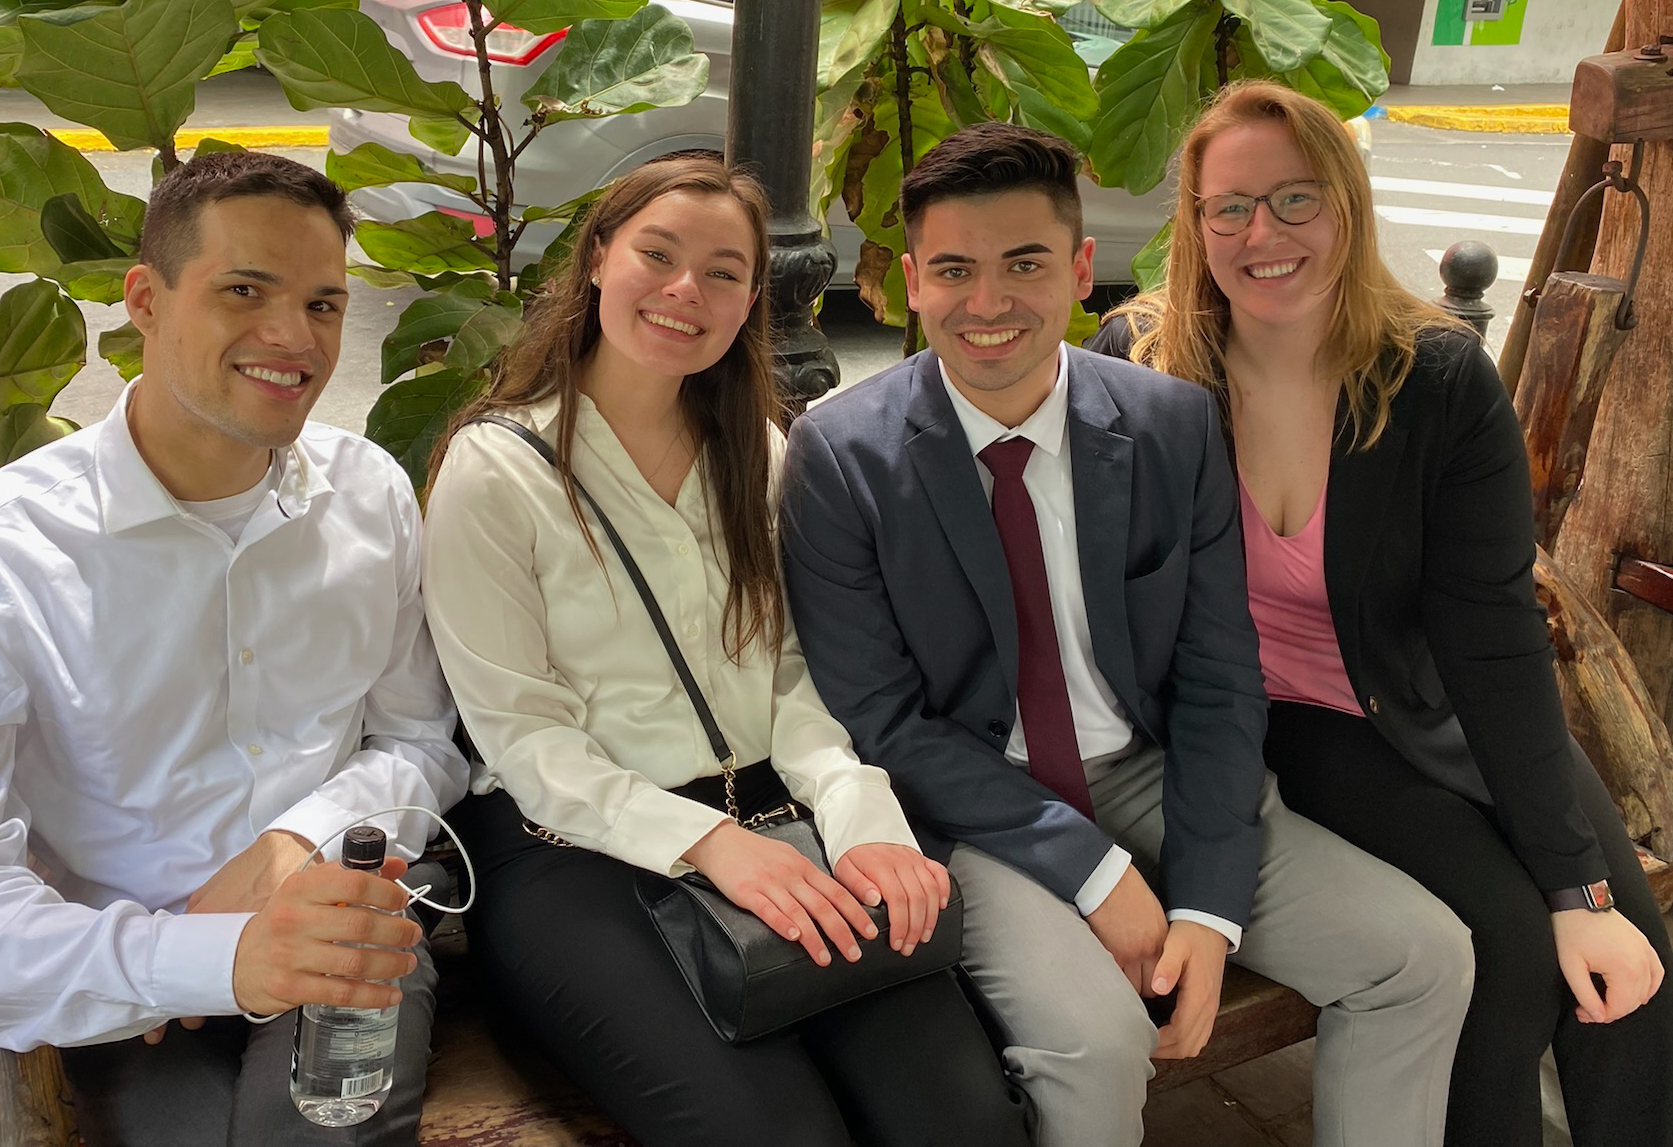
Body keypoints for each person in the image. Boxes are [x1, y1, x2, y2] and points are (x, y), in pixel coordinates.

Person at [779, 120, 1475, 1147]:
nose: (988, 303)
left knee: (1422, 955)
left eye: (1025, 264)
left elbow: (1216, 671)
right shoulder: (839, 457)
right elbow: (884, 721)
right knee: (1098, 1044)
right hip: (968, 802)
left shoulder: (1167, 424)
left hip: (1146, 768)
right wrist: (1098, 876)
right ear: (912, 281)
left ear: (1082, 268)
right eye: (954, 270)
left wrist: (1205, 906)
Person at [1088, 79, 1673, 1147]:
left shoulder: (1435, 378)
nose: (1262, 233)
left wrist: (1583, 886)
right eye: (1229, 206)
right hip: (1298, 719)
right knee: (1514, 947)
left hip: (1445, 697)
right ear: (1194, 224)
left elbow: (1493, 633)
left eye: (1295, 200)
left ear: (1346, 205)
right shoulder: (1144, 369)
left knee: (1624, 951)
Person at [421, 152, 1028, 1147]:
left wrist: (864, 821)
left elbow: (802, 674)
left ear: (752, 297)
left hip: (778, 817)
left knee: (960, 1119)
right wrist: (708, 844)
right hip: (576, 850)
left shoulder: (761, 448)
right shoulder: (500, 470)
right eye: (656, 254)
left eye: (722, 271)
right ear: (598, 258)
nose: (683, 292)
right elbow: (522, 736)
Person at [0, 151, 468, 1145]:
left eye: (326, 304)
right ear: (146, 299)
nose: (293, 338)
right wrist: (215, 956)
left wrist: (295, 842)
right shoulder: (18, 550)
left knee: (321, 1128)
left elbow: (422, 744)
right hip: (129, 963)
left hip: (347, 908)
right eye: (244, 290)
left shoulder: (369, 492)